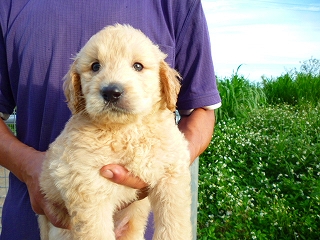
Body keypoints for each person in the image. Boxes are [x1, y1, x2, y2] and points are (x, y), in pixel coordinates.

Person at [0, 0, 221, 239]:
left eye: (138, 66)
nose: (112, 85)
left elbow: (201, 110)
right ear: (76, 86)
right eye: (95, 67)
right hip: (40, 224)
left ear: (164, 80)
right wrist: (28, 167)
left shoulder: (177, 4)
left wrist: (166, 168)